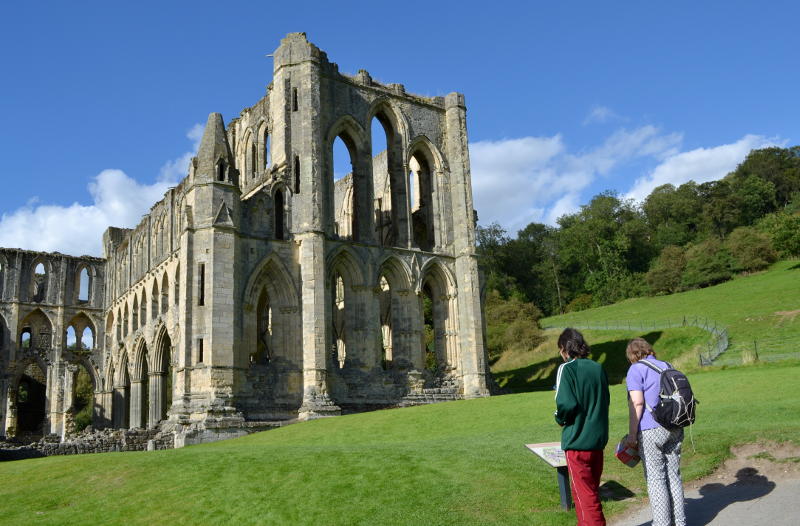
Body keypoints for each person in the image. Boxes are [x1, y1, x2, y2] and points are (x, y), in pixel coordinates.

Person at [625, 338, 686, 526]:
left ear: (632, 355)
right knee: (673, 475)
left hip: (651, 429)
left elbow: (637, 402)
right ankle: (680, 522)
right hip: (675, 426)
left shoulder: (636, 369)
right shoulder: (666, 365)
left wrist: (632, 435)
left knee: (656, 479)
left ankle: (661, 523)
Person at [554, 328, 610, 526]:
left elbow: (566, 404)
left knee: (585, 497)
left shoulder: (567, 368)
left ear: (564, 349)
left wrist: (559, 418)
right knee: (590, 492)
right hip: (597, 441)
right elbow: (605, 401)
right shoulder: (598, 368)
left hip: (577, 441)